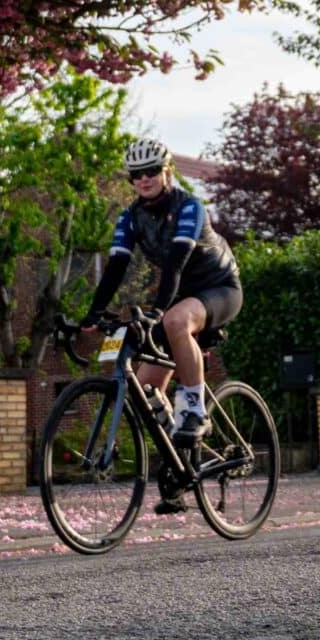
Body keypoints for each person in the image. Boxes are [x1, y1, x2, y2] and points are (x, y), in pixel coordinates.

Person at [79, 137, 241, 512]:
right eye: (137, 174)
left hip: (218, 288)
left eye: (152, 171)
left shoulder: (189, 207)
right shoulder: (130, 217)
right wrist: (93, 313)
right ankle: (182, 470)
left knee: (174, 319)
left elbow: (175, 264)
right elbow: (117, 266)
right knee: (147, 389)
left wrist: (157, 310)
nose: (145, 179)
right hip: (178, 298)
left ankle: (195, 411)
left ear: (167, 171)